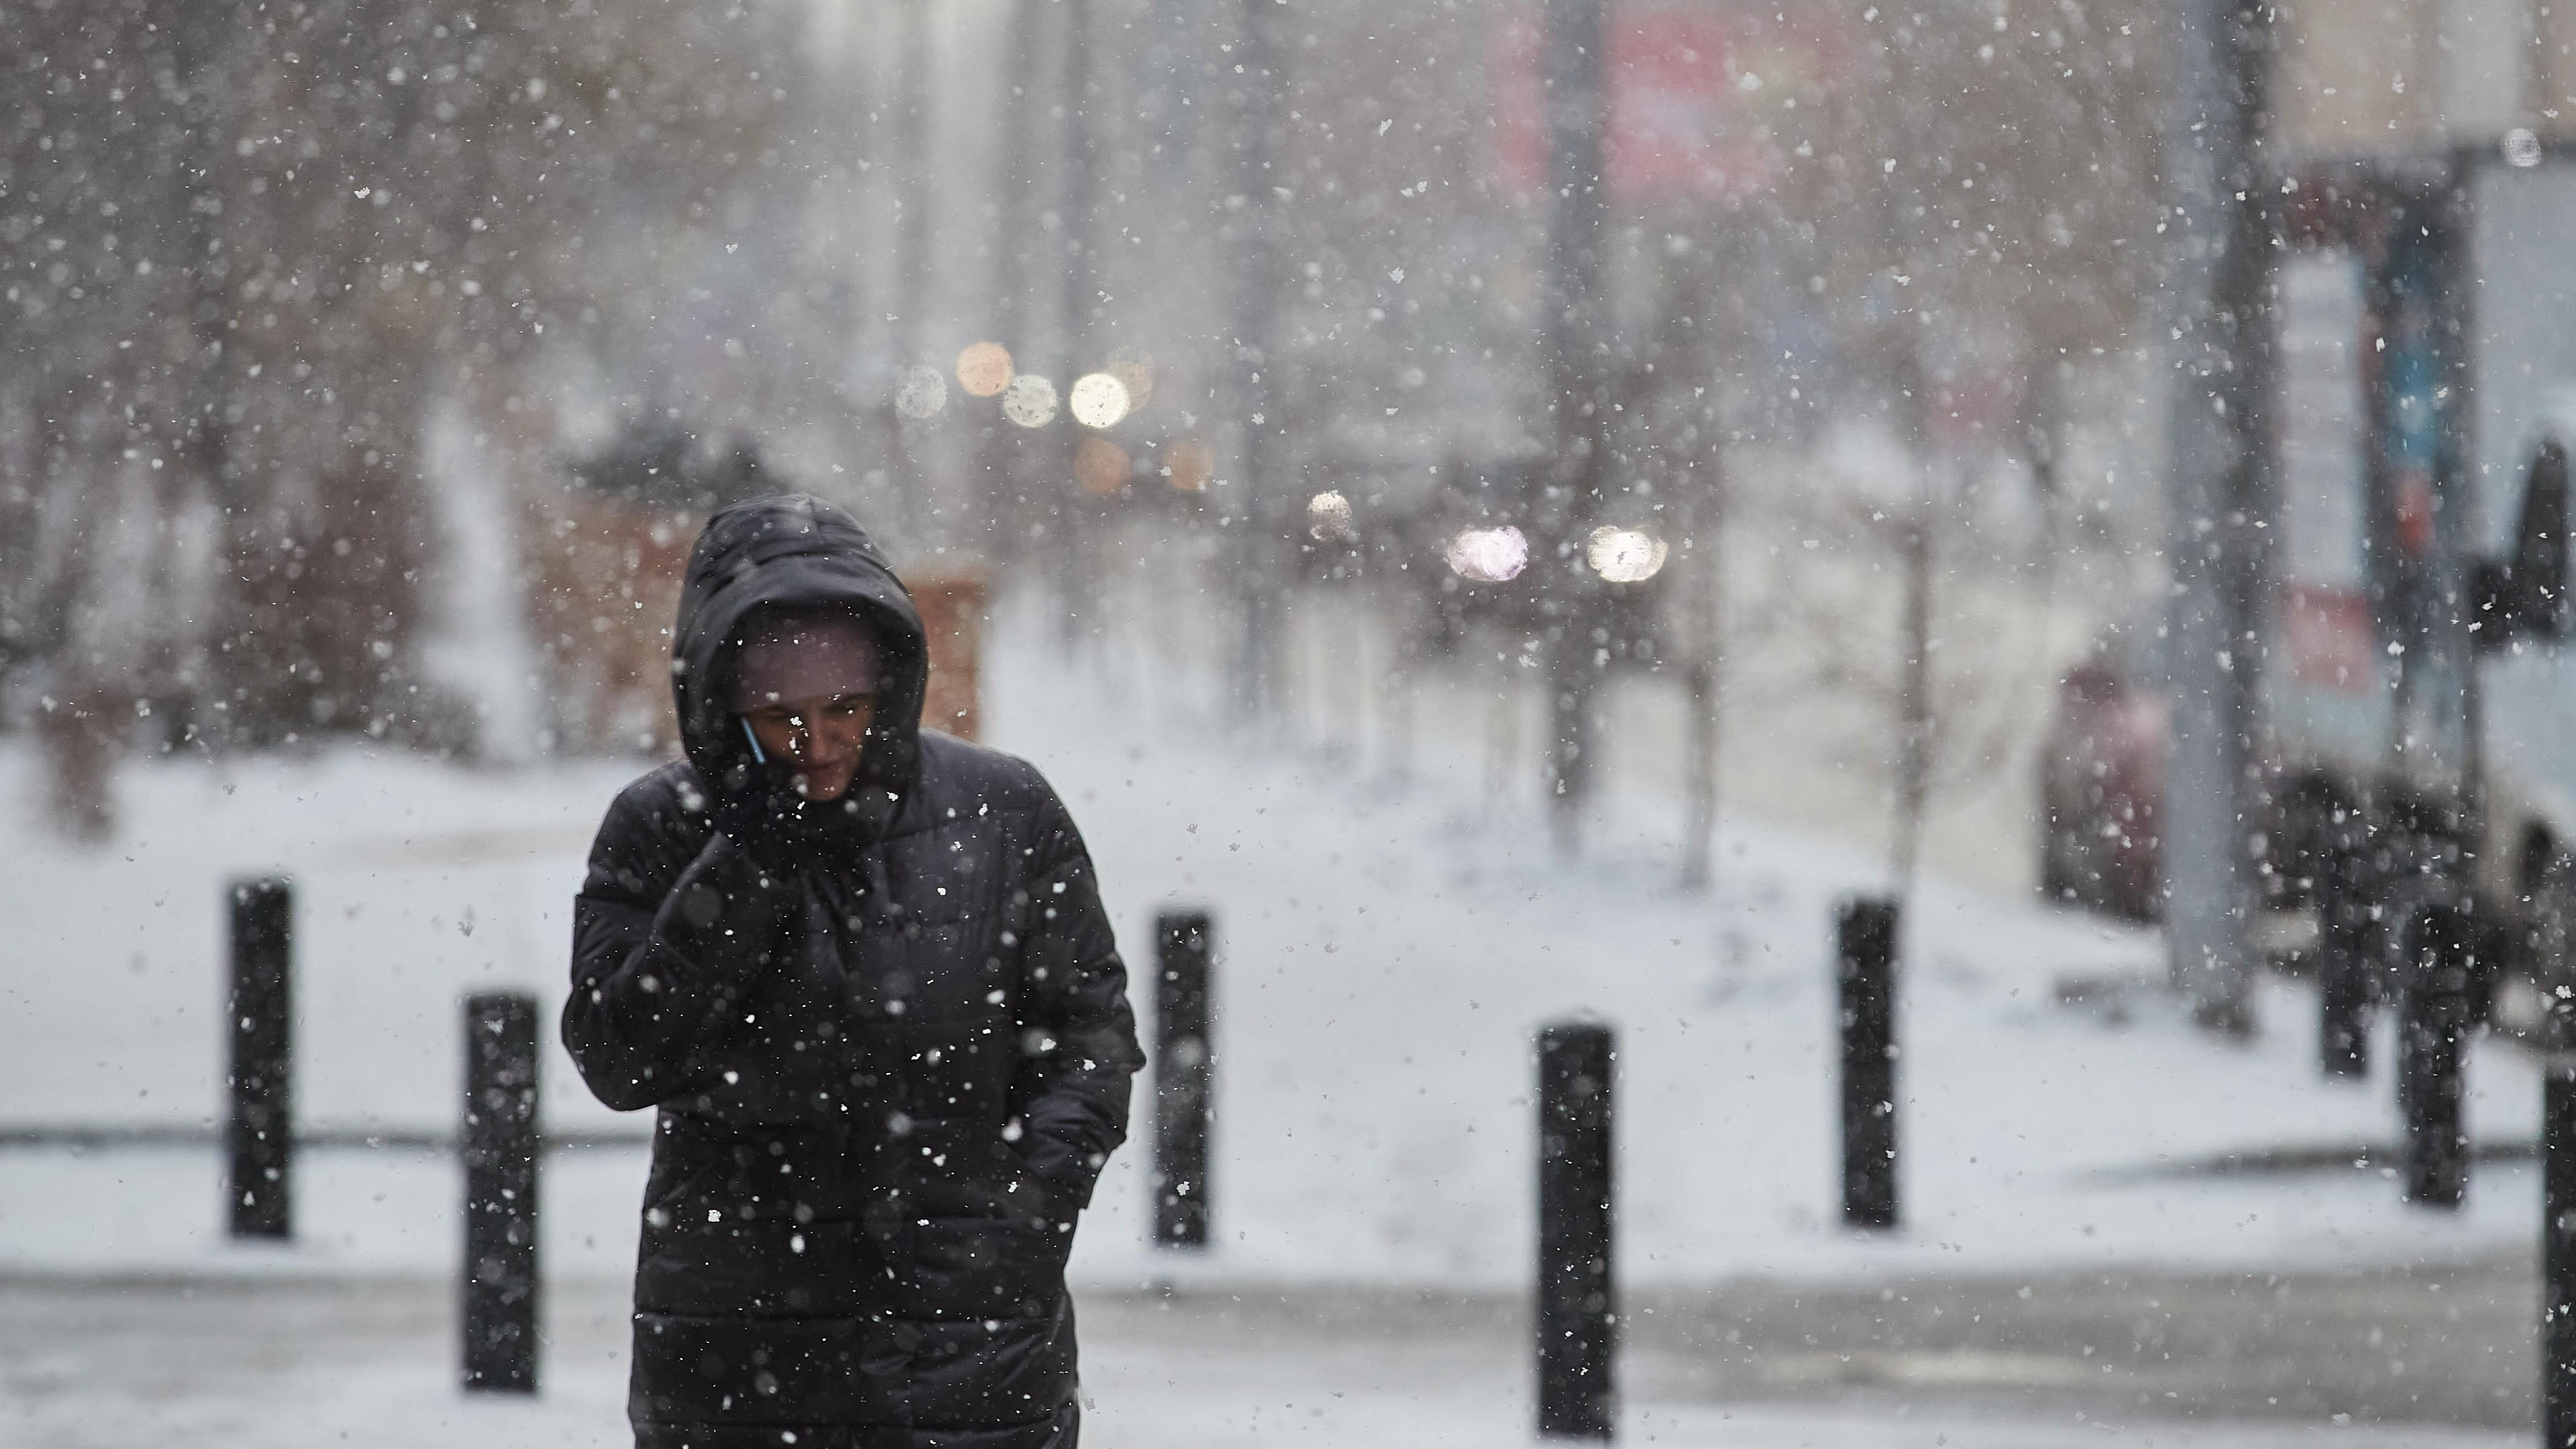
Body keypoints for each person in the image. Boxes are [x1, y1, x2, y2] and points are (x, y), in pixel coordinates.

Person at [564, 492, 1142, 1449]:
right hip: (734, 1354)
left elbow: (1090, 1042)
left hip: (969, 1357)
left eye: (844, 709)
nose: (819, 744)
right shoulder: (661, 830)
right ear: (722, 705)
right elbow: (621, 1059)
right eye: (780, 717)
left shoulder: (1001, 813)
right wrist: (742, 866)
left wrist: (1018, 1231)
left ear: (889, 684)